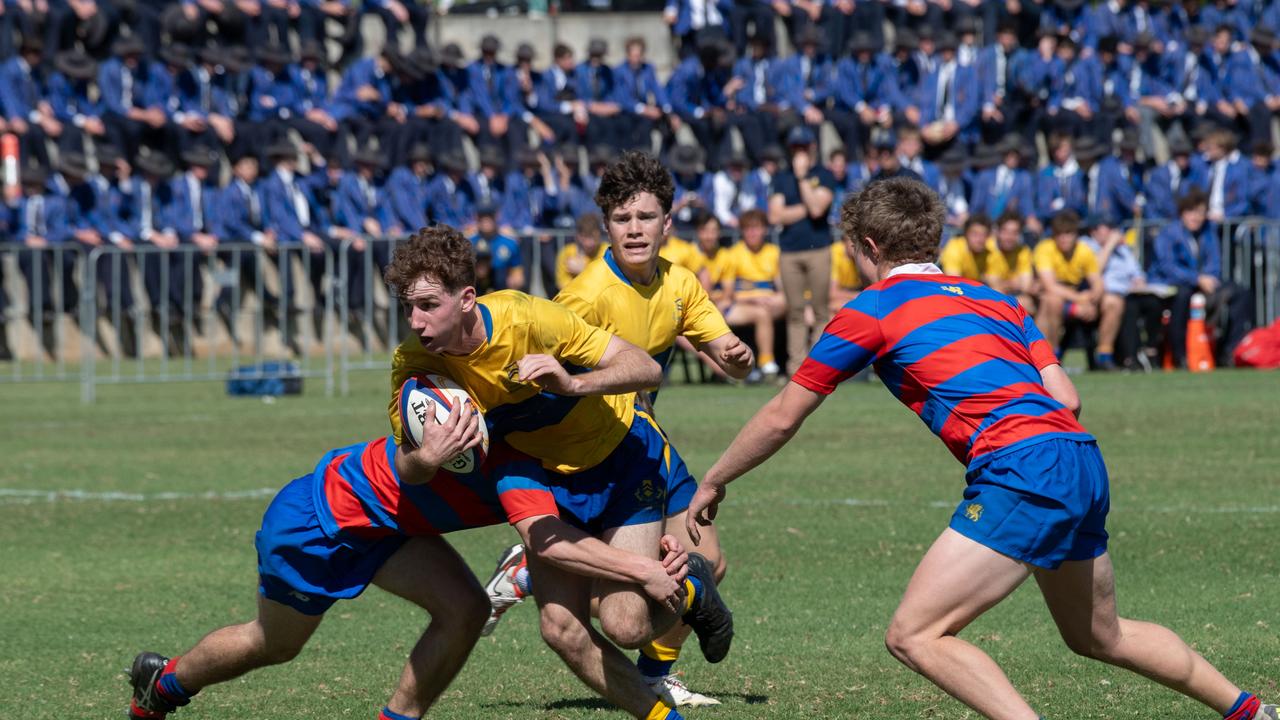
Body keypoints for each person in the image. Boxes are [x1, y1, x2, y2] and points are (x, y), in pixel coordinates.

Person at [685, 176, 1279, 720]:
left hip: (1023, 466)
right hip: (1078, 458)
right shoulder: (997, 300)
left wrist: (715, 477)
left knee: (915, 634)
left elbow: (784, 414)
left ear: (868, 246)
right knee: (1100, 636)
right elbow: (1066, 397)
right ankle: (1251, 712)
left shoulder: (869, 310)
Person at [386, 227, 733, 720]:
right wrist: (427, 456)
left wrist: (571, 382)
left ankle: (691, 584)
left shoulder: (527, 318)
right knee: (561, 629)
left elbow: (645, 369)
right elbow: (408, 468)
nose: (415, 321)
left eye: (427, 305)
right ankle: (663, 717)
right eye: (408, 307)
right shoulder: (413, 364)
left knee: (627, 624)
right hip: (542, 473)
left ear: (466, 299)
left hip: (618, 455)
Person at [481, 151, 752, 707]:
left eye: (646, 218)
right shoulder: (583, 298)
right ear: (607, 226)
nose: (634, 230)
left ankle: (653, 673)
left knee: (712, 562)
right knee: (626, 615)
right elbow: (538, 381)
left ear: (667, 224)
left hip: (646, 440)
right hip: (597, 449)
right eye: (623, 220)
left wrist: (735, 353)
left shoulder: (680, 282)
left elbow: (721, 347)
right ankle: (549, 566)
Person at [122, 412, 599, 720]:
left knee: (466, 609)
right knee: (273, 643)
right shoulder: (485, 419)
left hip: (388, 529)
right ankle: (162, 686)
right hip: (320, 520)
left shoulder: (567, 449)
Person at [1148, 190, 1254, 368]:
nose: (1196, 217)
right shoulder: (1169, 233)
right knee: (1182, 298)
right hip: (1174, 284)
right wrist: (1197, 278)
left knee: (1242, 293)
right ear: (1183, 213)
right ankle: (1180, 356)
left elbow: (1214, 261)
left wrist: (1209, 278)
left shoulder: (1207, 232)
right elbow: (1167, 266)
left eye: (1200, 213)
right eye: (1192, 212)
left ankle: (1229, 350)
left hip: (1203, 284)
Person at [769, 126, 836, 378]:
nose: (799, 152)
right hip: (789, 251)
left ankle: (818, 369)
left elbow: (818, 209)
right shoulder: (780, 177)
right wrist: (806, 207)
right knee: (795, 311)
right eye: (795, 147)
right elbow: (775, 215)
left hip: (818, 248)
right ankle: (796, 368)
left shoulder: (824, 175)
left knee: (820, 311)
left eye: (803, 147)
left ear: (812, 148)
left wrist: (802, 178)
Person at [1033, 210, 1104, 359]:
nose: (1064, 239)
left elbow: (1098, 284)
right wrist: (1077, 303)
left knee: (1113, 302)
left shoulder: (1084, 251)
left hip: (1078, 299)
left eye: (1068, 234)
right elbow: (1050, 286)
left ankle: (1105, 356)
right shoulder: (1045, 249)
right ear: (1054, 235)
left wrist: (1091, 302)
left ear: (1076, 235)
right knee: (1051, 300)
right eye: (1060, 234)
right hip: (1053, 300)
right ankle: (1049, 355)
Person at [555, 212, 607, 291]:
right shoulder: (567, 253)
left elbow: (607, 283)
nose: (589, 243)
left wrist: (583, 270)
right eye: (585, 237)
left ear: (599, 234)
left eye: (593, 237)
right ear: (577, 236)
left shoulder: (607, 252)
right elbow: (563, 286)